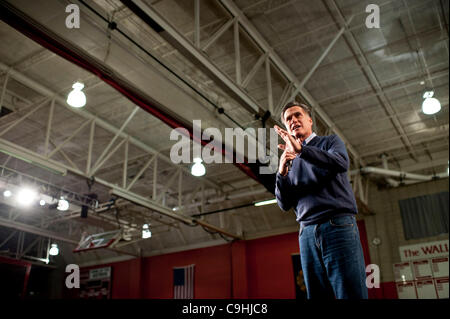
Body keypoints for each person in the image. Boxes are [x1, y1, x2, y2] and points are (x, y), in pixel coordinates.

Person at [274, 101, 368, 299]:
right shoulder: (290, 159)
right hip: (306, 233)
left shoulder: (330, 142)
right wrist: (282, 172)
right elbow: (283, 204)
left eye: (297, 115)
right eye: (288, 119)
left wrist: (302, 150)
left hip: (337, 225)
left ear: (309, 120)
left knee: (349, 292)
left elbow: (341, 163)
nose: (293, 121)